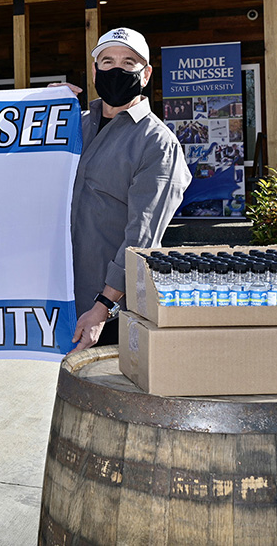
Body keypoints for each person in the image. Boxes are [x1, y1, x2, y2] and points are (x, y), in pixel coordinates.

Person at [69, 27, 191, 350]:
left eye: (129, 62)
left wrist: (102, 307)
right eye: (107, 61)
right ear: (94, 70)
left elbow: (141, 239)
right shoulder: (74, 127)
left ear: (146, 73)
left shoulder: (157, 144)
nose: (116, 70)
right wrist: (45, 107)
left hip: (107, 317)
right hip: (57, 303)